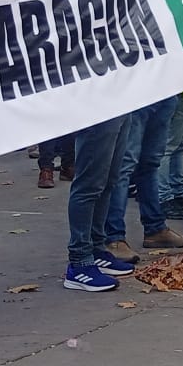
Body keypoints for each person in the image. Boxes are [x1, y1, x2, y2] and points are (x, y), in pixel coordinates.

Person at [101, 95, 183, 264]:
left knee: (151, 162)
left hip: (163, 90)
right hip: (136, 91)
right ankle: (113, 237)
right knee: (124, 165)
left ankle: (155, 228)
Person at [62, 111, 138, 292]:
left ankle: (96, 249)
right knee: (89, 185)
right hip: (98, 108)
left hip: (119, 104)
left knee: (108, 182)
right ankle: (79, 262)